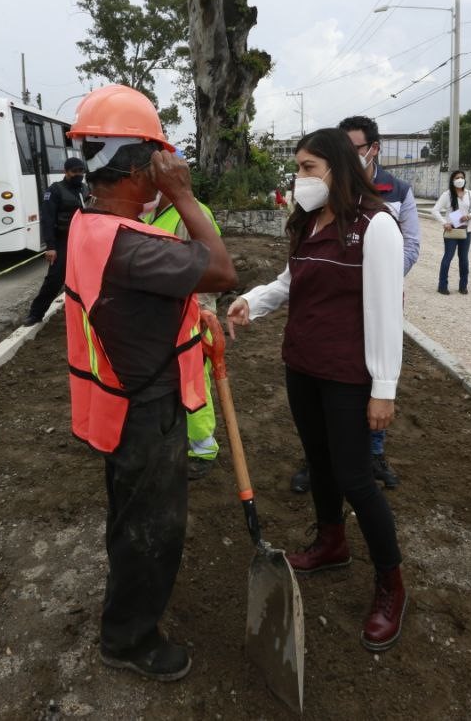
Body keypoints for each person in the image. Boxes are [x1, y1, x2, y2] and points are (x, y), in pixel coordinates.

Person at [62, 84, 237, 682]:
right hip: (145, 410)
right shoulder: (133, 245)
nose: (168, 173)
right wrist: (184, 196)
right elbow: (221, 268)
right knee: (153, 529)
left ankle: (126, 614)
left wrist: (193, 318)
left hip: (118, 401)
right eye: (160, 164)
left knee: (129, 518)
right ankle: (129, 640)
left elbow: (136, 305)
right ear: (141, 169)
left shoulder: (89, 226)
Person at [227, 127, 408, 652]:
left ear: (337, 168)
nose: (299, 177)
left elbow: (384, 312)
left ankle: (390, 584)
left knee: (356, 477)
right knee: (319, 460)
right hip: (302, 365)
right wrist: (252, 300)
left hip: (349, 375)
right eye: (298, 167)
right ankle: (332, 542)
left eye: (308, 167)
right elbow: (291, 281)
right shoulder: (309, 222)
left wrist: (384, 388)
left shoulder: (376, 227)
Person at [289, 115, 419, 493]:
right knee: (325, 429)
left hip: (369, 310)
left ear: (370, 149)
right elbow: (294, 273)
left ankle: (373, 454)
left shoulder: (392, 195)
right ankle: (320, 468)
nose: (301, 176)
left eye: (356, 147)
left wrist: (378, 273)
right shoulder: (315, 208)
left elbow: (408, 245)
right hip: (319, 341)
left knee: (361, 419)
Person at [143, 194, 224, 480]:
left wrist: (201, 312)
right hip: (162, 316)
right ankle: (176, 438)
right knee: (170, 381)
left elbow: (210, 267)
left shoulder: (192, 212)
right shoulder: (151, 213)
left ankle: (202, 448)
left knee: (193, 382)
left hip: (192, 316)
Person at [24, 157, 88, 326]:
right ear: (66, 172)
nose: (79, 175)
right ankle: (35, 314)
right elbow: (47, 219)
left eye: (81, 171)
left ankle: (87, 310)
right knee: (55, 279)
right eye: (75, 172)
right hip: (62, 240)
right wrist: (50, 246)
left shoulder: (84, 189)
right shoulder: (54, 190)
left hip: (83, 239)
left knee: (87, 276)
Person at [431, 169, 471, 295]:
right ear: (452, 180)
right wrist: (444, 223)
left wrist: (469, 216)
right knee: (448, 257)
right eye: (456, 178)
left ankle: (463, 286)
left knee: (463, 259)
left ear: (464, 179)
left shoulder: (469, 194)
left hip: (466, 231)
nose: (459, 180)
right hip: (451, 231)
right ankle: (442, 286)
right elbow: (435, 210)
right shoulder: (447, 195)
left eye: (461, 177)